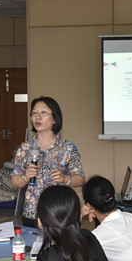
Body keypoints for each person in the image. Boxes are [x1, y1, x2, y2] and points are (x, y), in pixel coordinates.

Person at [10, 96, 85, 228]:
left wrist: (65, 179)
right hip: (32, 213)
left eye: (43, 113)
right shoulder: (25, 148)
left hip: (59, 212)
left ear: (54, 119)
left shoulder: (67, 148)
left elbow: (80, 179)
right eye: (34, 113)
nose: (37, 117)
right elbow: (15, 182)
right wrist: (25, 177)